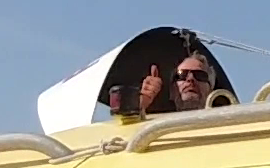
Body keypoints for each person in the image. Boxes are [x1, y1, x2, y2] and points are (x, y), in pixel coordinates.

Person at [98, 27, 236, 121]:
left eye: (200, 75)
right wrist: (141, 104)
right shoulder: (153, 128)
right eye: (181, 75)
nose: (190, 79)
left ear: (210, 88)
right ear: (172, 91)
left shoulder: (227, 124)